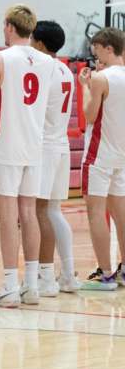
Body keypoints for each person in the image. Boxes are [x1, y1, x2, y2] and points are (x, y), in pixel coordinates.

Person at [0, 5, 55, 307]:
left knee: (9, 218)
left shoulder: (0, 58)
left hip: (7, 144)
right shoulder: (49, 62)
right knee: (29, 214)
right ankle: (31, 285)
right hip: (34, 145)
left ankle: (10, 285)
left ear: (9, 26)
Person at [30, 21, 82, 294]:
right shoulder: (65, 69)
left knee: (41, 212)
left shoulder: (43, 69)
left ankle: (46, 276)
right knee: (53, 211)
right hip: (61, 145)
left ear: (39, 44)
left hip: (45, 147)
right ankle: (68, 275)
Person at [77, 27, 125, 290]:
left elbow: (90, 116)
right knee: (120, 213)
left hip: (99, 155)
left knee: (96, 213)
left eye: (98, 51)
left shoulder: (101, 78)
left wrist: (85, 86)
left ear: (109, 47)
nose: (96, 58)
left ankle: (106, 273)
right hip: (121, 154)